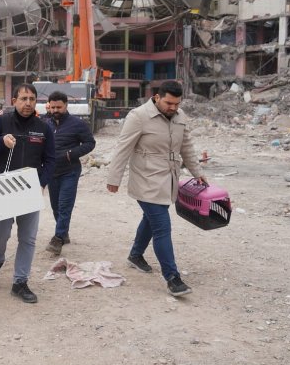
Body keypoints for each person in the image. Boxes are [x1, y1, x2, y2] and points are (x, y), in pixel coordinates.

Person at [106, 80, 207, 297]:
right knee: (162, 225)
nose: (173, 108)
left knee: (151, 220)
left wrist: (197, 173)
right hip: (145, 179)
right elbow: (123, 148)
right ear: (157, 97)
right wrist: (114, 178)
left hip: (168, 179)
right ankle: (173, 278)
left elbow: (186, 146)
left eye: (177, 104)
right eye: (169, 103)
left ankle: (135, 255)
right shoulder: (138, 116)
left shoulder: (180, 117)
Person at [0, 83, 55, 303]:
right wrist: (1, 142)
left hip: (29, 189)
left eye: (32, 99)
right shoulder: (2, 121)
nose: (28, 103)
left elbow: (50, 159)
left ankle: (20, 282)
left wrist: (42, 183)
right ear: (14, 100)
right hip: (3, 189)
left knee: (28, 239)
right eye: (23, 99)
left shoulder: (44, 128)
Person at [43, 90, 96, 255]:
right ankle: (64, 233)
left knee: (65, 205)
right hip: (52, 171)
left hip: (70, 171)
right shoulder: (45, 123)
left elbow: (90, 143)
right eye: (52, 107)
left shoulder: (77, 123)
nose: (55, 111)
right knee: (55, 206)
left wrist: (71, 153)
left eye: (58, 107)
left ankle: (58, 239)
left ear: (66, 105)